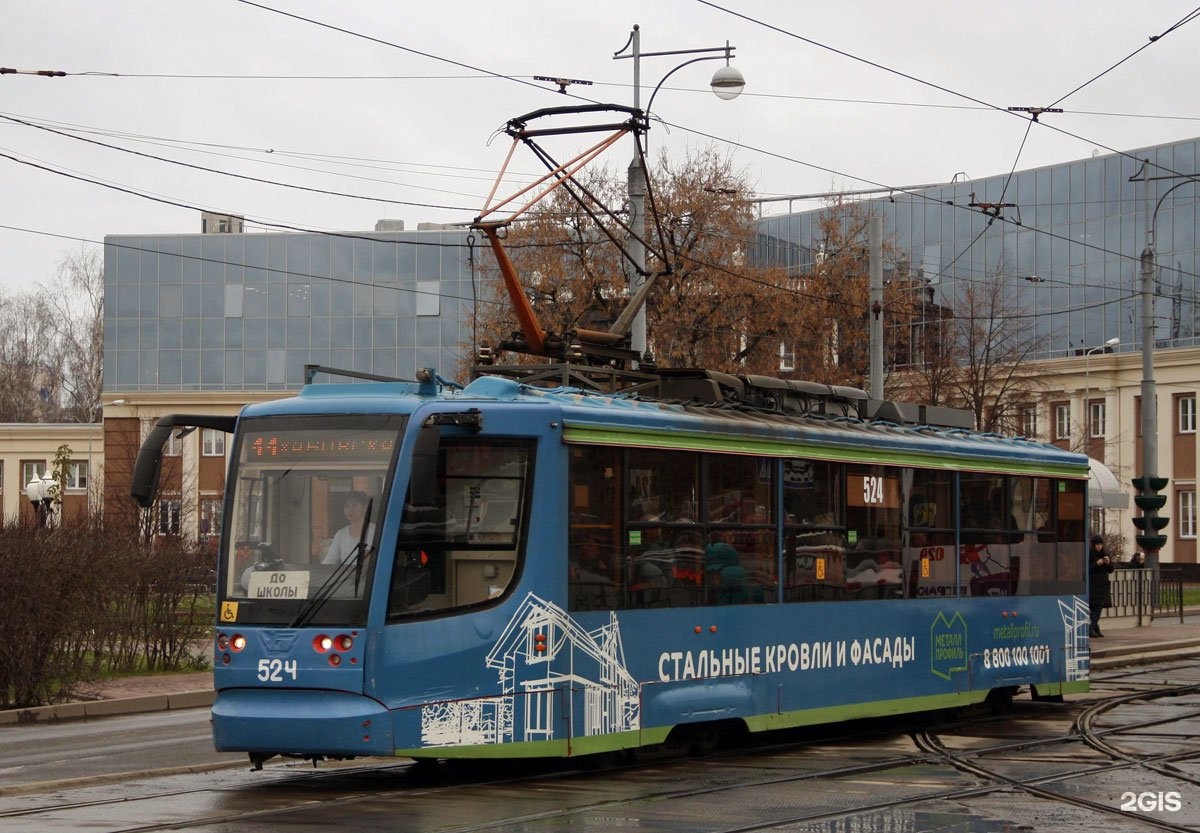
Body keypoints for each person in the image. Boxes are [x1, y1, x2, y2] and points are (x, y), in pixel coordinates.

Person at [323, 491, 376, 564]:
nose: (350, 510)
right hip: (346, 575)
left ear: (365, 508)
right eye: (346, 506)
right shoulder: (341, 534)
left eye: (354, 505)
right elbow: (330, 561)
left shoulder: (376, 532)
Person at [1088, 534, 1114, 637]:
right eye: (1097, 545)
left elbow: (1111, 570)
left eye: (1101, 544)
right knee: (1094, 607)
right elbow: (1087, 569)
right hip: (1093, 585)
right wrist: (1096, 564)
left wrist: (1107, 563)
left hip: (1102, 585)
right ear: (1094, 545)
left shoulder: (1105, 554)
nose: (1099, 547)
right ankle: (1093, 627)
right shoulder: (1090, 554)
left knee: (1099, 606)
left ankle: (1093, 627)